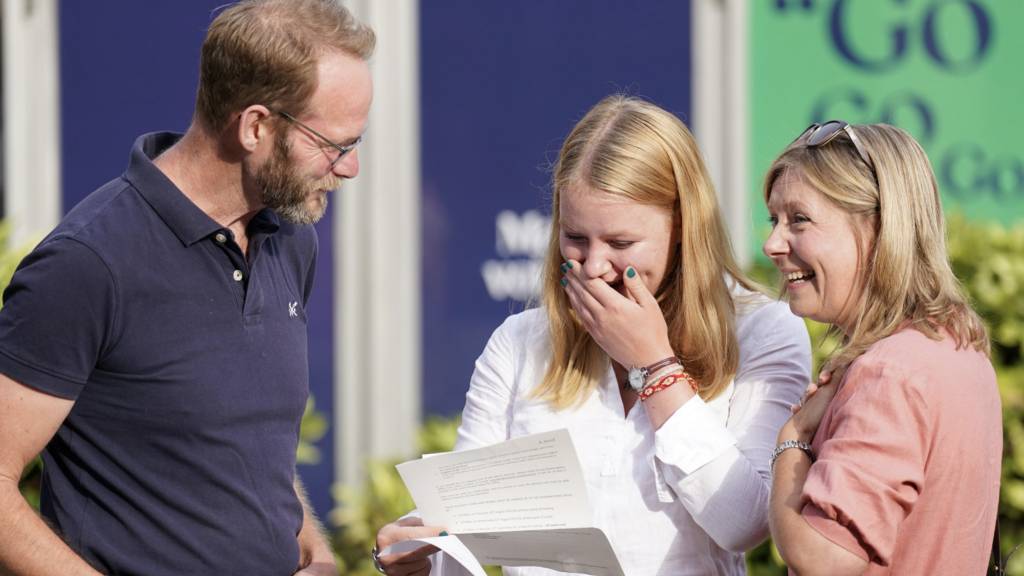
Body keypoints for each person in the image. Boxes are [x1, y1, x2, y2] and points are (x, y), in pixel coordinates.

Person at [0, 1, 373, 574]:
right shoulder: (88, 263)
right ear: (255, 126)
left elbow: (240, 452)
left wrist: (314, 550)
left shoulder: (289, 237)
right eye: (336, 145)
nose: (348, 168)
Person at [375, 95, 811, 575]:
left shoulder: (763, 330)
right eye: (575, 239)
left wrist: (656, 366)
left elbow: (745, 524)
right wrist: (421, 558)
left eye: (621, 243)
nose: (595, 266)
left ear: (684, 228)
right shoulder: (520, 342)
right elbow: (462, 536)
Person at [763, 121, 1002, 575]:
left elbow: (823, 559)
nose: (772, 243)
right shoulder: (958, 347)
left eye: (799, 219)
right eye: (773, 219)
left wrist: (790, 440)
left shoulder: (890, 373)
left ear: (877, 229)